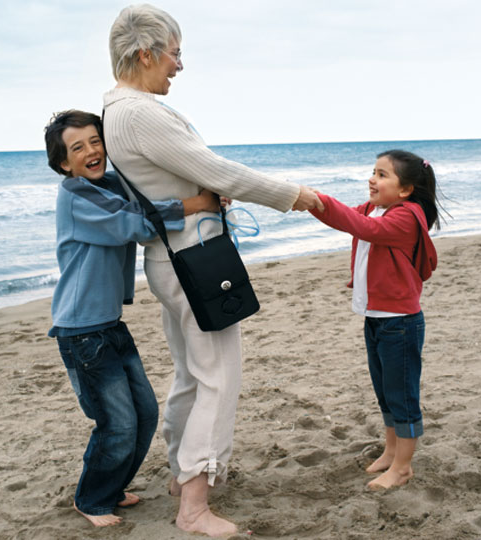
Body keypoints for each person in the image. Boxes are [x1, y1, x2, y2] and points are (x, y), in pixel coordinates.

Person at [102, 4, 324, 537]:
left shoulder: (119, 110)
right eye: (175, 54)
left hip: (174, 260)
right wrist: (294, 196)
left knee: (190, 374)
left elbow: (187, 174)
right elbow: (214, 169)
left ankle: (185, 477)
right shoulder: (137, 112)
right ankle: (195, 507)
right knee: (219, 378)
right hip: (192, 261)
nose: (180, 65)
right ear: (148, 52)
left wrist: (205, 191)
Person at [44, 109, 219, 527]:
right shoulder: (76, 194)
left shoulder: (107, 185)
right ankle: (91, 499)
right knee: (117, 422)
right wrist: (198, 203)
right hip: (82, 330)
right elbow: (135, 224)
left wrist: (205, 193)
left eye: (94, 140)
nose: (91, 150)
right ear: (64, 163)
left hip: (107, 324)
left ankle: (112, 486)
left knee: (143, 413)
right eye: (77, 147)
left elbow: (146, 203)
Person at [310, 149, 439, 490]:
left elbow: (360, 227)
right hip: (376, 317)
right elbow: (344, 219)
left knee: (402, 395)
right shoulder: (376, 207)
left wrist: (317, 198)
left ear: (406, 189)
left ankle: (403, 467)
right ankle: (391, 451)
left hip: (400, 322)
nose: (372, 179)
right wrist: (310, 203)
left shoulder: (407, 216)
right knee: (384, 391)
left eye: (383, 175)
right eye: (373, 171)